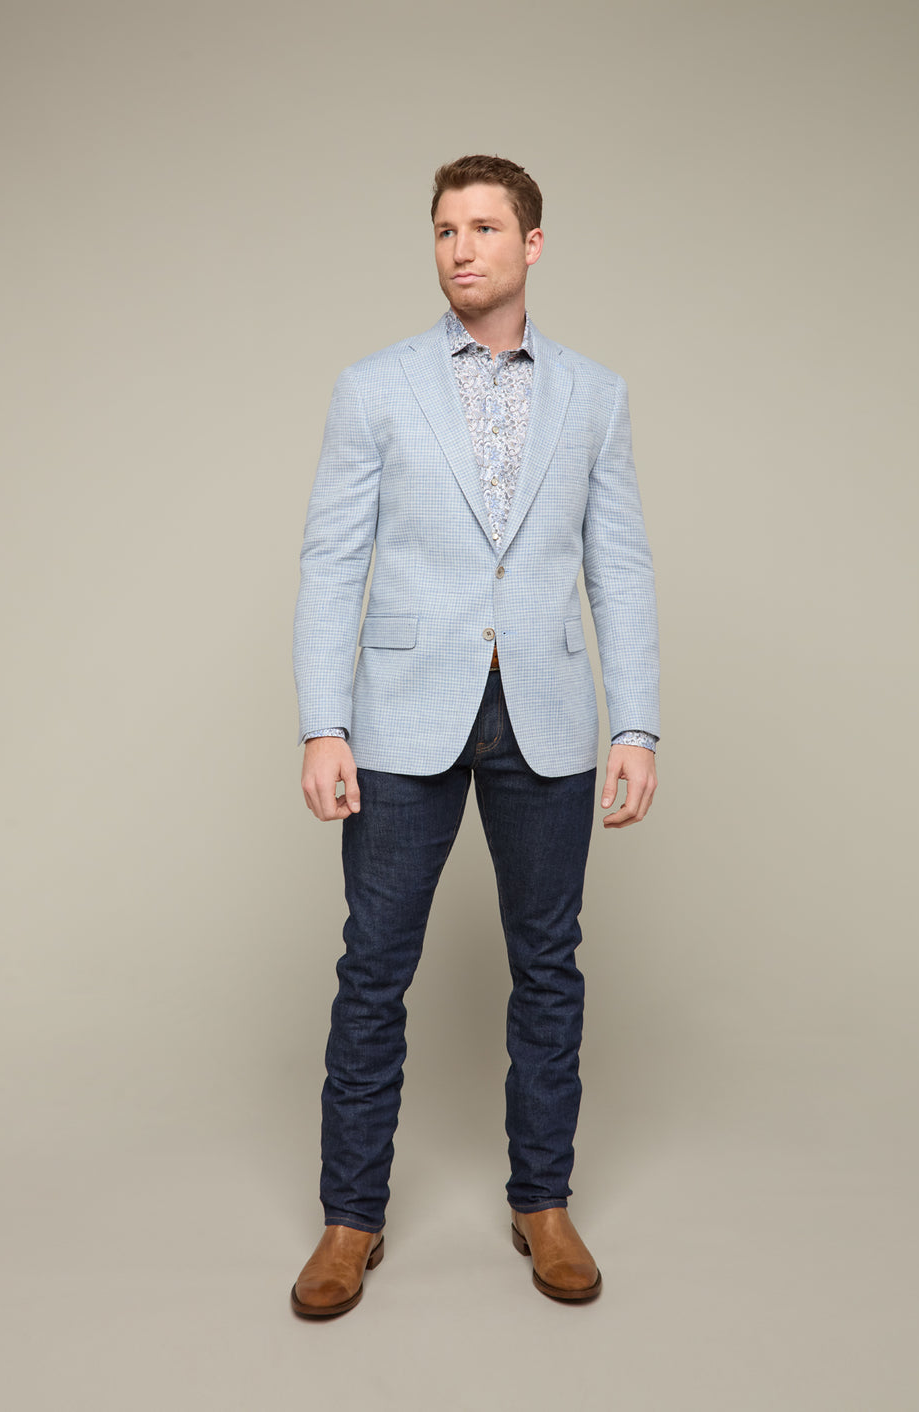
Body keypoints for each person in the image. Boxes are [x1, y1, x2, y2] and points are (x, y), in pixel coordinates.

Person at [289, 154, 659, 1317]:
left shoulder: (595, 394)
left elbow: (619, 566)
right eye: (446, 229)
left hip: (548, 714)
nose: (461, 248)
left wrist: (637, 721)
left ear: (531, 244)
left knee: (548, 967)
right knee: (373, 970)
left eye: (486, 228)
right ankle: (350, 1217)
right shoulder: (374, 387)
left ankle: (542, 1201)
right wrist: (323, 723)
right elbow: (332, 558)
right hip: (402, 717)